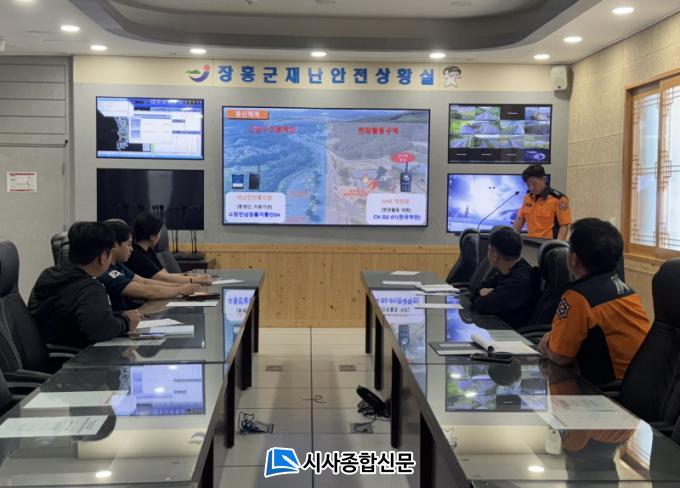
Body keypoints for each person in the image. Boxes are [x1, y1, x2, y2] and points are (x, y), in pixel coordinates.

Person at [538, 218, 650, 386]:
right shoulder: (625, 290)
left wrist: (547, 341)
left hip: (611, 392)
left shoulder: (578, 297)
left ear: (574, 258)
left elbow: (560, 356)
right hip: (641, 385)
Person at [28, 222, 140, 349]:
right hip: (72, 357)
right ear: (103, 257)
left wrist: (119, 316)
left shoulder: (49, 274)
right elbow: (102, 330)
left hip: (46, 350)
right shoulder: (89, 288)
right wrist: (127, 321)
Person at [98, 220, 202, 310]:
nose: (131, 249)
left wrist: (182, 287)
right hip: (122, 320)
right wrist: (180, 290)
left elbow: (144, 281)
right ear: (114, 245)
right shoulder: (107, 272)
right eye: (129, 244)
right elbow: (144, 290)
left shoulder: (118, 265)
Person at [472, 227, 540, 329]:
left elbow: (481, 305)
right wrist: (482, 293)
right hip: (497, 327)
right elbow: (475, 292)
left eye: (489, 249)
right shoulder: (508, 271)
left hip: (510, 334)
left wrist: (486, 293)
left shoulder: (519, 281)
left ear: (495, 255)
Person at [126, 212, 211, 285]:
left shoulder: (149, 250)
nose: (160, 236)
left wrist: (188, 276)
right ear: (152, 237)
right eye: (159, 232)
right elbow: (163, 278)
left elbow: (166, 274)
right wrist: (195, 280)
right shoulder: (137, 256)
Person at [513, 164, 572, 240]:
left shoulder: (559, 199)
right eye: (528, 185)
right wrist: (512, 238)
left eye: (534, 184)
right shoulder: (527, 197)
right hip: (531, 242)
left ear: (544, 179)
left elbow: (564, 226)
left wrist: (557, 245)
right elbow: (520, 219)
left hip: (549, 243)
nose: (531, 188)